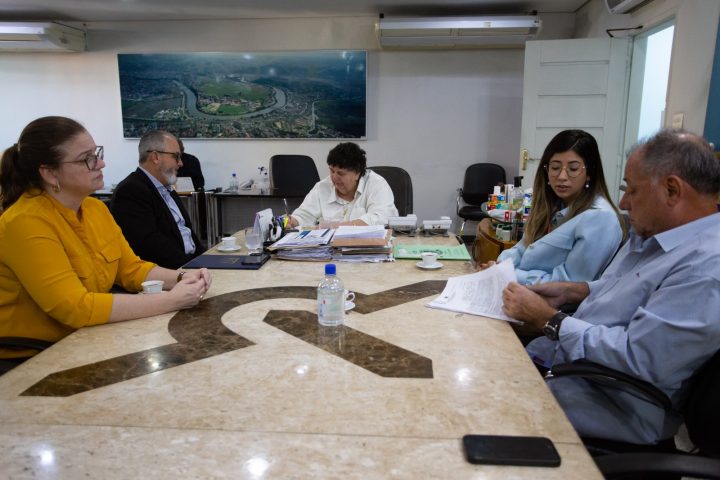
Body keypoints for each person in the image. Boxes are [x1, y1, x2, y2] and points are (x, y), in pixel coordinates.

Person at [502, 129, 720, 445]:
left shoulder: (705, 267)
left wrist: (550, 320)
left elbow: (640, 358)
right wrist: (575, 291)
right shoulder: (655, 235)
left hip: (610, 402)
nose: (623, 202)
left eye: (632, 190)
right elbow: (622, 288)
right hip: (574, 369)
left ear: (672, 190)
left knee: (477, 399)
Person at [0, 116, 211, 361]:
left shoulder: (95, 209)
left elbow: (131, 269)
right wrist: (172, 300)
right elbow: (76, 308)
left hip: (88, 338)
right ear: (49, 173)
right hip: (34, 357)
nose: (101, 163)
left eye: (97, 153)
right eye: (87, 159)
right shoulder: (24, 222)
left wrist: (182, 277)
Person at [480, 130, 624, 285]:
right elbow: (522, 248)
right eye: (555, 168)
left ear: (590, 172)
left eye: (573, 169)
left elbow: (569, 284)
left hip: (545, 297)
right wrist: (500, 265)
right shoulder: (553, 204)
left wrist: (509, 274)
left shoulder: (601, 218)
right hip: (517, 288)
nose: (562, 177)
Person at [110, 130, 204, 269]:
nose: (181, 163)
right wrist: (191, 268)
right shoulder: (131, 191)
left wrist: (206, 259)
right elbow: (151, 247)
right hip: (170, 272)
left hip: (190, 265)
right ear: (155, 157)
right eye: (176, 156)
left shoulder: (166, 188)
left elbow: (187, 232)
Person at [286, 142, 398, 228]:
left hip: (367, 247)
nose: (334, 178)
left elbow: (382, 218)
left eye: (341, 173)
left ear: (357, 173)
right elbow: (304, 215)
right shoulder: (322, 187)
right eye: (332, 171)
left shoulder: (377, 185)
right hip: (328, 249)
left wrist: (338, 227)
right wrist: (292, 221)